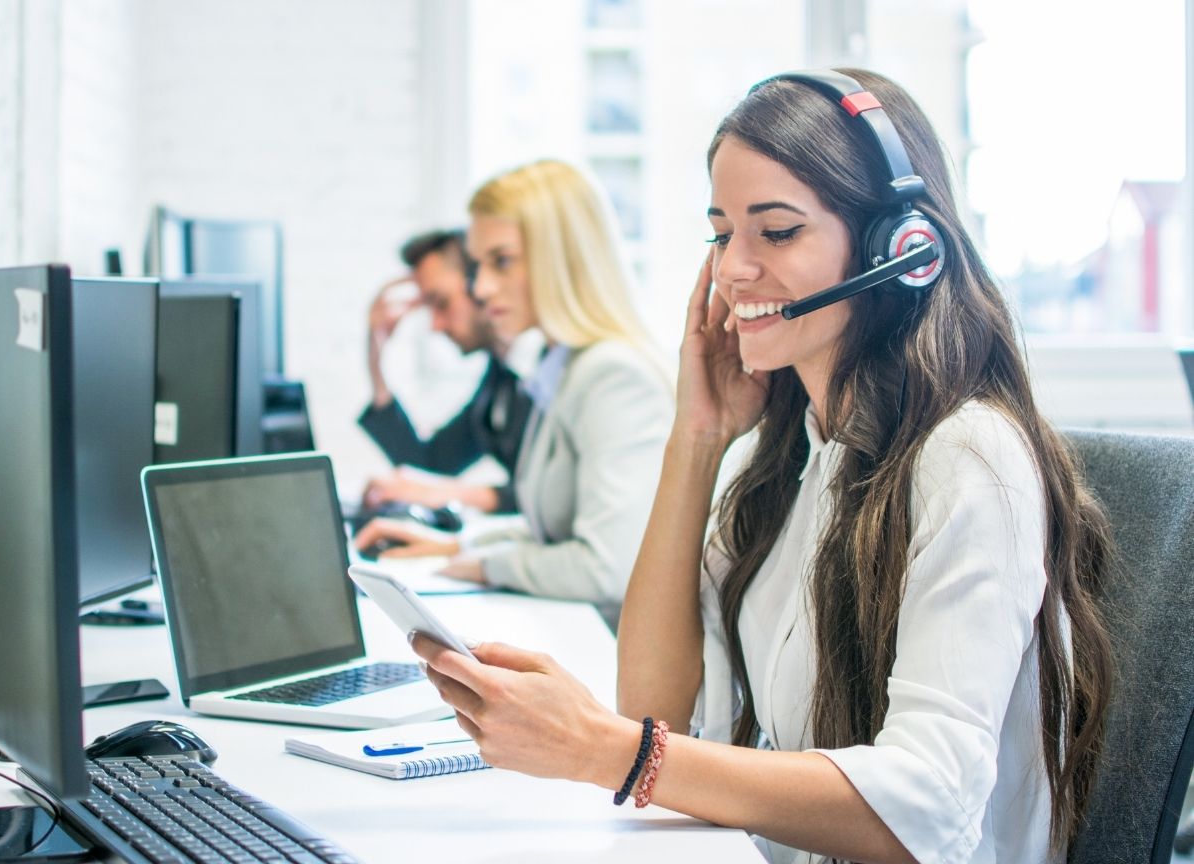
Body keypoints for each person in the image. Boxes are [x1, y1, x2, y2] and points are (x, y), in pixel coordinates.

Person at [405, 69, 1115, 864]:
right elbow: (656, 710)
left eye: (775, 232)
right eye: (720, 233)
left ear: (901, 250)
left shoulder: (967, 460)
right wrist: (696, 441)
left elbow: (928, 806)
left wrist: (605, 750)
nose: (733, 269)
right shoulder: (792, 457)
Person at [354, 160, 674, 615]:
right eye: (480, 265)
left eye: (500, 262)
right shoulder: (559, 365)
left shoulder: (612, 375)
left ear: (561, 258)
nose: (481, 288)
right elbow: (548, 531)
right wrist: (455, 547)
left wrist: (477, 564)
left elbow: (606, 568)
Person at [358, 229, 535, 514]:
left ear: (480, 287)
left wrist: (454, 493)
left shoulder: (548, 370)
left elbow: (558, 501)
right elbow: (429, 466)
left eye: (441, 303)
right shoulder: (500, 380)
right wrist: (376, 364)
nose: (436, 325)